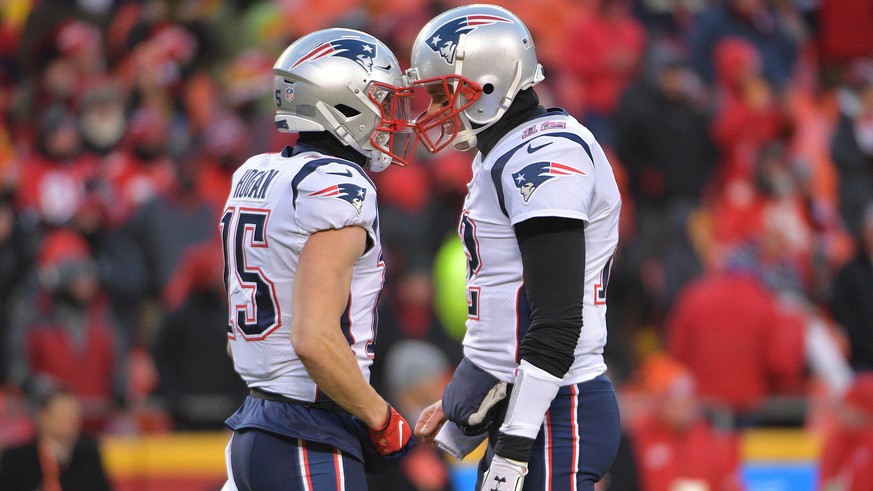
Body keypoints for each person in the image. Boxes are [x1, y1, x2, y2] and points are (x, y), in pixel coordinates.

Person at [407, 5, 622, 490]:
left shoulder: (545, 152)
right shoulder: (506, 150)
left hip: (556, 410)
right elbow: (510, 295)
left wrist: (517, 446)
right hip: (537, 406)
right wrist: (470, 395)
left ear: (488, 84)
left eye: (444, 92)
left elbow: (558, 320)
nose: (435, 108)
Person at [220, 28, 416, 490]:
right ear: (343, 103)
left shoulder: (255, 172)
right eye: (381, 101)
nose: (390, 117)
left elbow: (237, 341)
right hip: (307, 432)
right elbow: (313, 339)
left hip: (254, 427)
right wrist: (381, 418)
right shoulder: (338, 184)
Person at [0, 386, 112, 491]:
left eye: (73, 414)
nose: (70, 421)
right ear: (43, 416)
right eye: (62, 414)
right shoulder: (17, 457)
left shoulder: (88, 454)